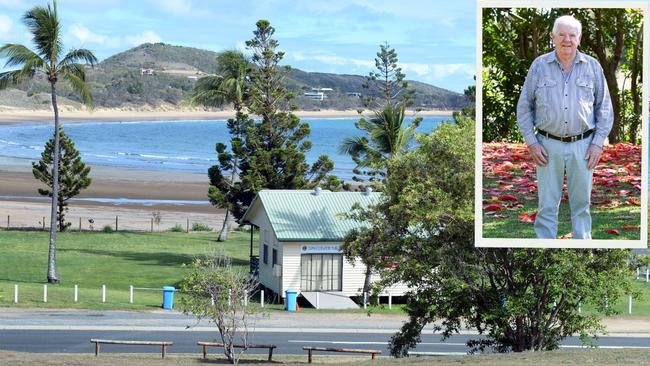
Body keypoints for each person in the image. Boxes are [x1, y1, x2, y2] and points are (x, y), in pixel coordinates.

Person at [516, 15, 613, 239]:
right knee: (547, 207)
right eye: (562, 35)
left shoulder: (593, 67)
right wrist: (531, 142)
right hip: (547, 146)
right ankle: (545, 255)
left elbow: (605, 109)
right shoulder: (539, 66)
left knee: (581, 206)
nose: (566, 40)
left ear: (579, 39)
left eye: (572, 35)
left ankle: (582, 254)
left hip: (584, 146)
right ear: (553, 37)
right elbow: (524, 107)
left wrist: (597, 144)